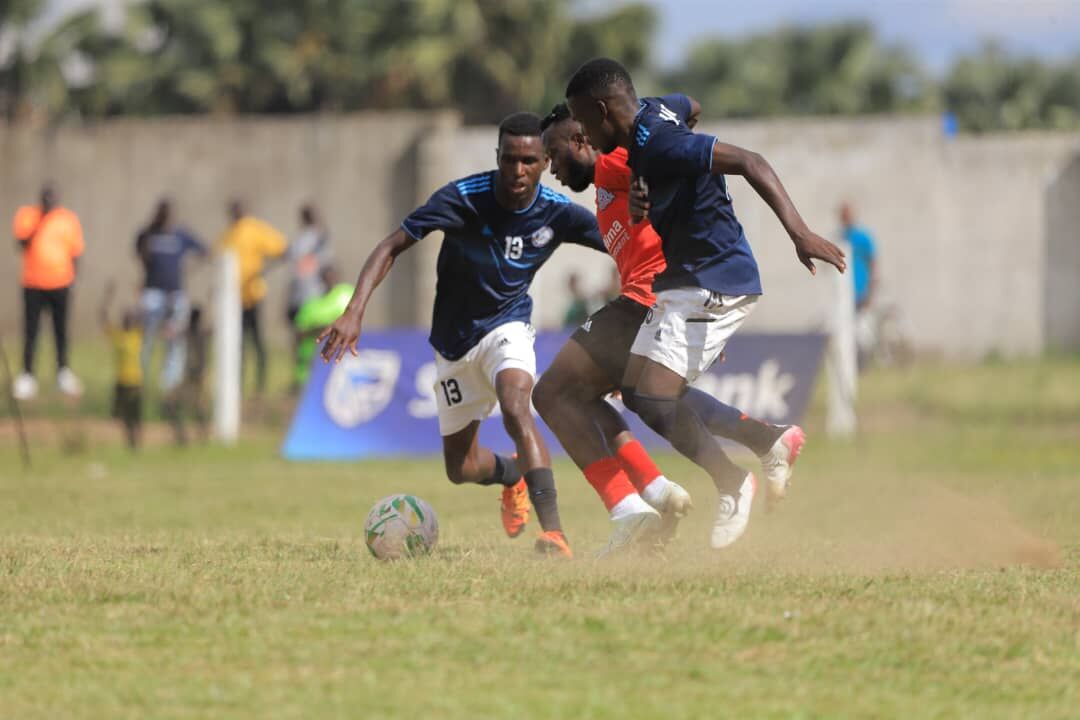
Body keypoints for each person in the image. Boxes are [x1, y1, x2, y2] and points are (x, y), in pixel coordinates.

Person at [565, 58, 846, 549]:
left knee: (651, 397)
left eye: (584, 123)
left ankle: (732, 483)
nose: (585, 135)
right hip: (686, 279)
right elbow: (691, 106)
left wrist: (800, 234)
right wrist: (653, 188)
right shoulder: (656, 115)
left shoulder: (663, 142)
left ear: (602, 109)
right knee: (637, 391)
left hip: (716, 278)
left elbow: (751, 161)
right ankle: (771, 440)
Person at [319, 112, 608, 559]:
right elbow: (391, 245)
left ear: (546, 161)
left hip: (508, 327)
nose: (517, 170)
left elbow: (627, 245)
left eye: (529, 160)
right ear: (497, 157)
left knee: (516, 406)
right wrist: (354, 310)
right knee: (462, 467)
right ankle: (512, 477)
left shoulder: (557, 213)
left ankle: (555, 534)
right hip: (453, 343)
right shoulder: (462, 198)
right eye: (509, 159)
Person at [11, 184, 85, 400]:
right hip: (33, 283)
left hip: (61, 283)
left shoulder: (68, 219)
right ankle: (27, 375)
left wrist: (74, 281)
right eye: (46, 198)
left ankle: (63, 371)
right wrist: (40, 220)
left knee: (60, 330)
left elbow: (76, 251)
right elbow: (21, 243)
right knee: (31, 331)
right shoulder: (28, 215)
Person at [135, 198, 208, 392]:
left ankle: (169, 384)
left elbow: (204, 251)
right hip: (153, 294)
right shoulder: (148, 233)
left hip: (176, 295)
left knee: (175, 340)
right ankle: (138, 379)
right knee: (146, 337)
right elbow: (140, 254)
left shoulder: (181, 234)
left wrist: (187, 270)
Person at [218, 200, 287, 396]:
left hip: (253, 295)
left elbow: (281, 248)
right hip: (234, 299)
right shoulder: (229, 234)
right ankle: (237, 384)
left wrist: (261, 271)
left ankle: (260, 384)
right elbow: (218, 259)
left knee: (256, 341)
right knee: (236, 344)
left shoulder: (255, 229)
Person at [291, 267, 353, 387]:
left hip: (338, 365)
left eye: (333, 277)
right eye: (327, 277)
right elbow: (299, 332)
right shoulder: (312, 305)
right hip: (310, 365)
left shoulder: (346, 296)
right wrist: (319, 329)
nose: (330, 281)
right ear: (321, 280)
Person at [99, 282, 142, 451]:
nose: (128, 319)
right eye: (126, 317)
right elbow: (102, 316)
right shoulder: (117, 336)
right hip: (121, 382)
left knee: (135, 415)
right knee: (121, 414)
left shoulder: (137, 336)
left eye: (130, 317)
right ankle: (129, 440)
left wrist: (138, 295)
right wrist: (108, 296)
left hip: (136, 381)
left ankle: (136, 442)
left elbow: (142, 313)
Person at [162, 305, 211, 446]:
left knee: (195, 408)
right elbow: (170, 334)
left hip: (198, 379)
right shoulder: (195, 332)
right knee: (171, 404)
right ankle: (184, 436)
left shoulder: (197, 332)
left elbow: (170, 333)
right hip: (191, 378)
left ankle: (198, 437)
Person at [839, 202, 879, 368]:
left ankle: (864, 364)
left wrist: (871, 291)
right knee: (845, 332)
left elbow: (873, 264)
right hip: (842, 294)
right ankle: (849, 364)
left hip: (860, 291)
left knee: (862, 332)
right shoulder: (839, 237)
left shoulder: (863, 238)